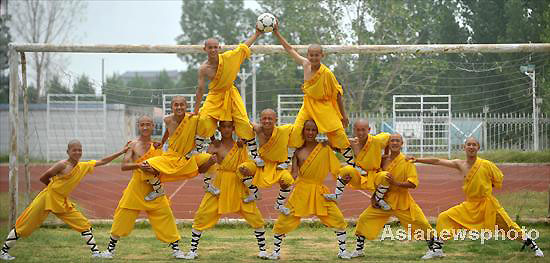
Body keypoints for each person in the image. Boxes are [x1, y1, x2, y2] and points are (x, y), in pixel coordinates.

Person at [101, 116, 216, 259]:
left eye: (148, 125)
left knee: (166, 217)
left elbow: (164, 164)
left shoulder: (158, 146)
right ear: (138, 126)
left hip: (155, 189)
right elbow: (124, 166)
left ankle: (176, 250)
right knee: (122, 217)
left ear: (153, 126)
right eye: (142, 125)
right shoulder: (132, 145)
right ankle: (109, 251)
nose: (145, 127)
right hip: (136, 187)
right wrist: (139, 165)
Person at [411, 137, 544, 259]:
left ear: (478, 148)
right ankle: (437, 250)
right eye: (468, 144)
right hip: (470, 204)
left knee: (508, 227)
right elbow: (437, 161)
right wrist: (417, 160)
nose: (471, 147)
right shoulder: (460, 164)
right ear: (464, 148)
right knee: (445, 217)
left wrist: (486, 186)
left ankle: (533, 246)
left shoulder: (486, 164)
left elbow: (498, 179)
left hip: (488, 204)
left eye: (474, 145)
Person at [0, 140, 128, 261]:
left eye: (80, 150)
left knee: (83, 223)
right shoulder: (62, 164)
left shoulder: (83, 166)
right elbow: (44, 177)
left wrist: (122, 152)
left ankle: (96, 253)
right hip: (47, 198)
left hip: (62, 201)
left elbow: (103, 161)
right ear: (68, 152)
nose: (77, 152)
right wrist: (54, 189)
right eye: (74, 150)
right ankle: (3, 252)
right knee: (25, 224)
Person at [273, 22, 366, 176]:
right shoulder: (305, 64)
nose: (314, 57)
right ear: (308, 55)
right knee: (296, 131)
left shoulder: (327, 73)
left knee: (339, 134)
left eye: (317, 55)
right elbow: (289, 49)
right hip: (308, 105)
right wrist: (277, 33)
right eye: (311, 55)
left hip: (324, 107)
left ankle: (354, 164)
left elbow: (337, 94)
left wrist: (343, 115)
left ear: (322, 56)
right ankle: (286, 161)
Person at [267, 120, 353, 260]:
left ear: (317, 132)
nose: (310, 133)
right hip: (301, 190)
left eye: (313, 130)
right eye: (307, 129)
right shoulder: (298, 151)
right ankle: (275, 252)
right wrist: (284, 181)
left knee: (337, 218)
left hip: (320, 191)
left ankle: (343, 251)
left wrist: (345, 177)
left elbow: (337, 169)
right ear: (303, 131)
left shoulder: (324, 148)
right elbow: (294, 174)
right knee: (284, 220)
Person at [183, 121, 267, 260]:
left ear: (233, 128)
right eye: (223, 127)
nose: (226, 129)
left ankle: (263, 250)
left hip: (238, 182)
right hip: (219, 184)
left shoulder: (241, 145)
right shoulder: (214, 146)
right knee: (203, 214)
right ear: (219, 128)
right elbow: (201, 170)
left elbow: (250, 167)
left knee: (254, 215)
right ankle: (192, 250)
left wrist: (247, 169)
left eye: (229, 127)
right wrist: (210, 162)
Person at [350, 134, 432, 258]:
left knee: (421, 222)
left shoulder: (407, 161)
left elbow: (413, 184)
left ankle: (436, 249)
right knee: (364, 219)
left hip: (402, 200)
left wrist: (396, 183)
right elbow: (378, 181)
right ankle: (359, 250)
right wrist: (374, 197)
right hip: (384, 200)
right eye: (392, 140)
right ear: (388, 143)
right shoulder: (382, 160)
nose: (394, 143)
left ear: (401, 144)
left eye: (397, 141)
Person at [191, 27, 264, 167]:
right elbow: (200, 89)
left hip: (231, 94)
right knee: (203, 119)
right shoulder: (203, 68)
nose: (213, 50)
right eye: (210, 47)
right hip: (214, 96)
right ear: (204, 49)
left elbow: (243, 47)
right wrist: (195, 109)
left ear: (219, 48)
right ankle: (198, 150)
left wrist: (257, 34)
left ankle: (254, 155)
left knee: (243, 122)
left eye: (215, 47)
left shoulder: (229, 58)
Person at [142, 96, 213, 201]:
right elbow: (168, 131)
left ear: (186, 106)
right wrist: (162, 142)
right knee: (144, 165)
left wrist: (214, 140)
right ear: (172, 107)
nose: (179, 107)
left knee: (212, 159)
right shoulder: (167, 119)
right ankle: (158, 190)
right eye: (176, 105)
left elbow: (207, 128)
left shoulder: (193, 119)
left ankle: (208, 185)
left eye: (181, 105)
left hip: (190, 157)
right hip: (171, 157)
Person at [325, 119, 392, 210]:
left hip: (375, 176)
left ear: (369, 130)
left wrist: (386, 155)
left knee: (386, 176)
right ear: (354, 130)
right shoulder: (351, 142)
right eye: (358, 130)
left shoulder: (377, 140)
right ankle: (337, 195)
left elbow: (389, 137)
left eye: (363, 130)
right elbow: (333, 144)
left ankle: (378, 198)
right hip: (359, 176)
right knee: (345, 169)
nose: (360, 133)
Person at [236, 109, 295, 210]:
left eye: (270, 119)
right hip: (261, 164)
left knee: (288, 180)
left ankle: (279, 203)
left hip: (278, 166)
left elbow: (299, 130)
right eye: (264, 118)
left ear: (275, 120)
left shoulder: (284, 130)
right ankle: (255, 194)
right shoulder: (258, 129)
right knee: (242, 169)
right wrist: (243, 139)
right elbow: (245, 122)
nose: (267, 121)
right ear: (260, 120)